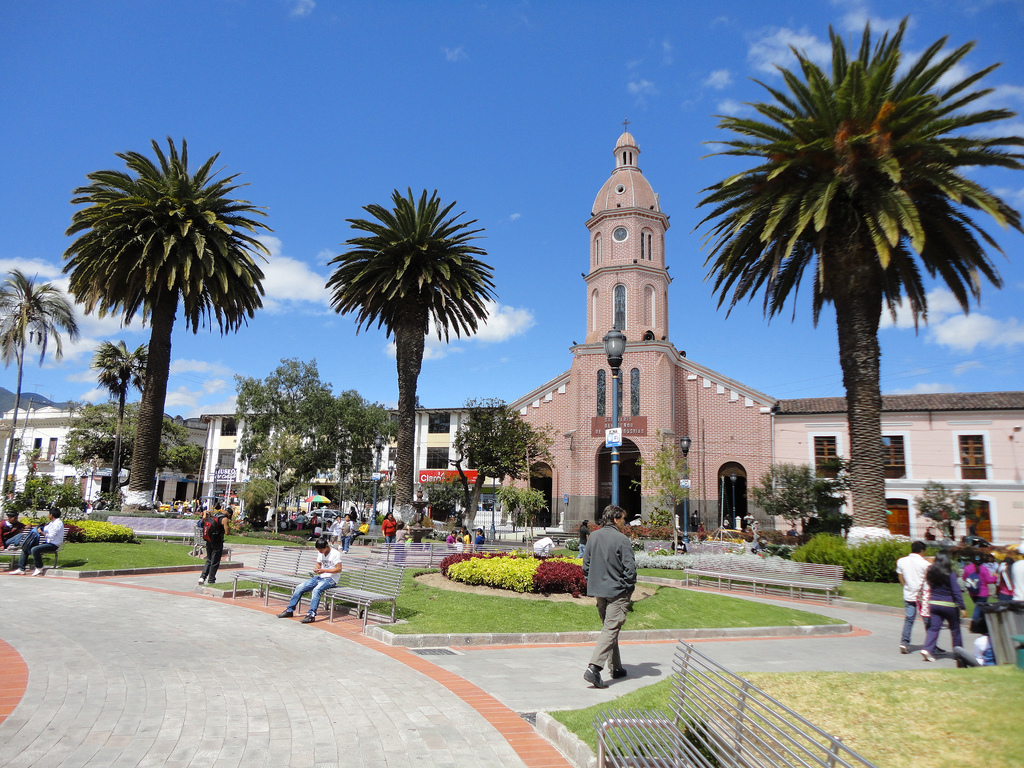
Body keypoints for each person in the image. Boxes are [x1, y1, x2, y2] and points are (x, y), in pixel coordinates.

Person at [582, 504, 636, 689]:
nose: (625, 522)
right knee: (610, 629)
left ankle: (617, 667)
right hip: (617, 592)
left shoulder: (593, 537)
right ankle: (594, 668)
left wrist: (593, 583)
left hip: (599, 592)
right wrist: (628, 590)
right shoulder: (622, 540)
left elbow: (586, 566)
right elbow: (630, 569)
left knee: (609, 628)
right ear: (615, 519)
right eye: (623, 518)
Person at [277, 537, 342, 624]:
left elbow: (339, 569)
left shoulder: (335, 554)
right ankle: (289, 610)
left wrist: (324, 570)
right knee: (299, 587)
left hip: (331, 579)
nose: (320, 552)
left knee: (316, 590)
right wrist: (317, 568)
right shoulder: (320, 552)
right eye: (318, 550)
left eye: (321, 550)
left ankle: (311, 615)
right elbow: (319, 564)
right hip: (320, 577)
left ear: (327, 546)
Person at [919, 549, 966, 662]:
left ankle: (927, 649)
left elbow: (929, 585)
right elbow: (956, 591)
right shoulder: (950, 573)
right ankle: (958, 653)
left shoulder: (931, 571)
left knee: (934, 628)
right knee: (955, 629)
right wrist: (962, 606)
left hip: (933, 603)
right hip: (949, 604)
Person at [896, 540, 931, 653]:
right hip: (922, 596)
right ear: (922, 551)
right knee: (927, 620)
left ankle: (904, 642)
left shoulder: (901, 561)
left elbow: (900, 577)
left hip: (908, 594)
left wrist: (905, 586)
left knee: (909, 619)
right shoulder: (925, 564)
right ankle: (931, 645)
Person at [10, 509, 64, 576]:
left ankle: (39, 567)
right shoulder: (52, 523)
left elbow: (51, 536)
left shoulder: (58, 524)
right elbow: (45, 528)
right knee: (26, 547)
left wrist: (41, 532)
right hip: (48, 543)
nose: (48, 516)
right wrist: (38, 528)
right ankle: (21, 569)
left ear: (51, 515)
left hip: (53, 545)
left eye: (49, 514)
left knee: (35, 549)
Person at [198, 505, 232, 585]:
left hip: (209, 540)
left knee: (209, 559)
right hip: (217, 542)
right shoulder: (225, 519)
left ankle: (202, 578)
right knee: (215, 562)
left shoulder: (215, 515)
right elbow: (227, 532)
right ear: (230, 515)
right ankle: (211, 580)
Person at [963, 554, 998, 624]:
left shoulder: (967, 568)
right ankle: (974, 623)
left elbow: (964, 578)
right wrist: (995, 577)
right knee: (979, 608)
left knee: (980, 608)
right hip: (983, 593)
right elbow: (989, 580)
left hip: (972, 592)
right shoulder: (984, 569)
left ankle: (980, 623)